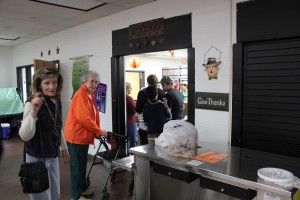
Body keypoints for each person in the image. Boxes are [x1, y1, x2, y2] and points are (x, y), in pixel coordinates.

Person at [19, 67, 70, 200]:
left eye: (54, 82)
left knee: (55, 194)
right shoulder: (31, 103)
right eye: (46, 83)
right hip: (36, 157)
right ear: (39, 85)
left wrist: (64, 148)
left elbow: (57, 126)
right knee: (40, 196)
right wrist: (34, 111)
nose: (51, 86)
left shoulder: (56, 100)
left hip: (52, 155)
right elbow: (25, 135)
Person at [64, 71, 107, 200]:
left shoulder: (89, 94)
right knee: (77, 167)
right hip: (76, 136)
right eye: (91, 81)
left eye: (96, 82)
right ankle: (75, 196)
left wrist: (96, 131)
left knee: (81, 165)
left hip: (82, 136)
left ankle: (82, 189)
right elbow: (84, 119)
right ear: (84, 82)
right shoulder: (80, 95)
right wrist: (99, 131)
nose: (94, 84)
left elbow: (91, 116)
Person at [135, 74, 165, 145]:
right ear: (157, 82)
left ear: (147, 81)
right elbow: (165, 112)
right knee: (158, 150)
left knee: (144, 150)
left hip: (143, 127)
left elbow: (138, 109)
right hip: (158, 128)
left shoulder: (141, 92)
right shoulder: (161, 92)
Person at [126, 82, 137, 151]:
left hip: (126, 121)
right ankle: (133, 158)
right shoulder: (129, 98)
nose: (131, 89)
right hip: (131, 122)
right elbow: (136, 108)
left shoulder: (122, 97)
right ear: (127, 89)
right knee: (133, 140)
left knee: (128, 141)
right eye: (130, 88)